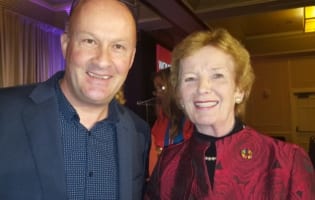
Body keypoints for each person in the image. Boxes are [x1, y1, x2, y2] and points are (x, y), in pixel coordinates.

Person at [0, 0, 150, 199]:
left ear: (131, 59)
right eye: (89, 41)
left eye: (118, 46)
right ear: (65, 45)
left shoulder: (139, 133)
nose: (102, 61)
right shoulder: (5, 112)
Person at [145, 28, 315, 199]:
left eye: (217, 75)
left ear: (239, 90)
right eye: (190, 78)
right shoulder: (167, 164)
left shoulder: (287, 161)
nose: (202, 88)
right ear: (180, 96)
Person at [149, 67, 193, 175]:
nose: (158, 94)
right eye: (157, 89)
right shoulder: (160, 121)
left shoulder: (194, 120)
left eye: (162, 88)